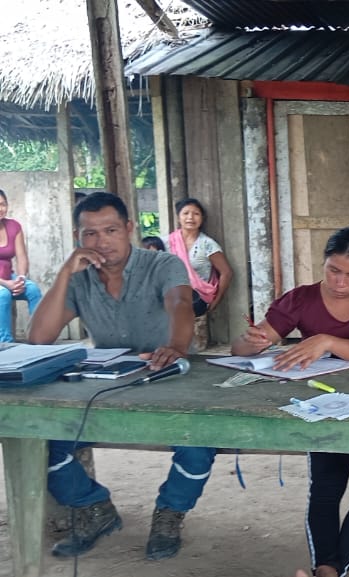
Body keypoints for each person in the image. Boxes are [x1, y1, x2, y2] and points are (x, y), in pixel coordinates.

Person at [28, 191, 207, 561]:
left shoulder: (163, 264)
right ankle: (95, 509)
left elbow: (180, 302)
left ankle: (169, 515)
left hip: (167, 379)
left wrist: (176, 345)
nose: (101, 241)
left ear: (128, 228)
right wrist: (64, 273)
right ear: (78, 237)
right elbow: (39, 337)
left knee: (200, 443)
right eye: (90, 233)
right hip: (107, 387)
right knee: (45, 441)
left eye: (110, 230)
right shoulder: (79, 278)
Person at [232, 227, 349, 577]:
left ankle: (329, 571)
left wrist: (326, 340)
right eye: (333, 270)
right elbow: (241, 348)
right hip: (325, 406)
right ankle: (327, 570)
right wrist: (253, 342)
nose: (340, 282)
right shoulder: (301, 299)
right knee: (325, 489)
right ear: (323, 262)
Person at [165, 198, 232, 317]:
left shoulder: (207, 244)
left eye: (196, 214)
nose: (190, 217)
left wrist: (216, 302)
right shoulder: (166, 242)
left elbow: (226, 273)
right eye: (186, 213)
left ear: (202, 218)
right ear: (178, 217)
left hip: (198, 301)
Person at [0, 188, 43, 342]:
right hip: (3, 282)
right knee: (3, 294)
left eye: (3, 204)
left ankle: (39, 337)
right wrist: (6, 284)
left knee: (33, 290)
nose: (0, 209)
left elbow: (22, 257)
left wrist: (21, 278)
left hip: (9, 277)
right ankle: (5, 343)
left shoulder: (14, 226)